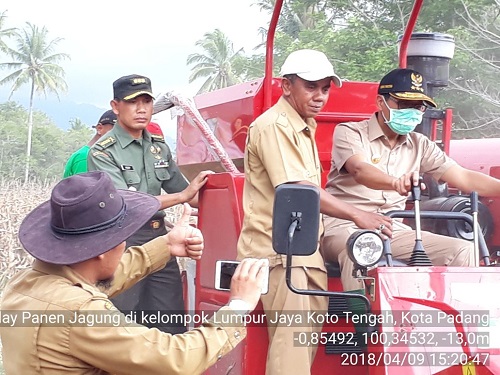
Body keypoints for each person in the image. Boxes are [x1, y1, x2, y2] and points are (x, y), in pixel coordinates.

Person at [0, 171, 267, 375]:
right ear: (102, 250)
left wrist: (166, 245)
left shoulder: (25, 283)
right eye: (123, 240)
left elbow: (104, 275)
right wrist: (239, 306)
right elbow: (175, 359)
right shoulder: (79, 313)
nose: (125, 247)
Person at [236, 49, 392, 375]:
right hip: (280, 253)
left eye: (325, 88)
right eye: (311, 87)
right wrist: (358, 215)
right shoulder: (275, 126)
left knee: (302, 346)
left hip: (304, 253)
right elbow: (301, 191)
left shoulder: (304, 125)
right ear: (286, 85)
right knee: (291, 350)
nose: (320, 96)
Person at [322, 67, 500, 295]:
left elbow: (463, 176)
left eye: (418, 107)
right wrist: (395, 182)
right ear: (380, 102)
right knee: (362, 247)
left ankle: (458, 325)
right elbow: (359, 169)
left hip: (391, 227)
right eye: (404, 105)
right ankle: (364, 325)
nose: (413, 112)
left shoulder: (420, 144)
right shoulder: (350, 132)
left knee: (464, 250)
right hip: (345, 224)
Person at [87, 74, 213, 334]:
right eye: (133, 102)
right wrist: (181, 197)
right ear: (115, 106)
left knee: (171, 322)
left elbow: (187, 190)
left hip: (160, 240)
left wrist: (232, 199)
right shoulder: (103, 152)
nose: (142, 109)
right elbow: (127, 203)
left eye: (147, 101)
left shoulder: (158, 147)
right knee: (124, 324)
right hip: (122, 244)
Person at [63, 110, 116, 178]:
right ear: (100, 128)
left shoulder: (110, 155)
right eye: (116, 130)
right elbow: (83, 188)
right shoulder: (85, 158)